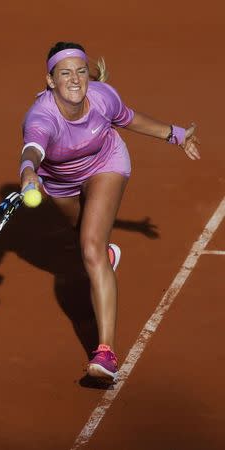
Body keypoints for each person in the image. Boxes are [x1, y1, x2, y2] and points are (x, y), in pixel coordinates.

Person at [19, 41, 200, 383]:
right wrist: (29, 172)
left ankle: (105, 353)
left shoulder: (103, 98)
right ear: (50, 80)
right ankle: (106, 254)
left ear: (89, 75)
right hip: (59, 183)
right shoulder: (41, 117)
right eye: (65, 73)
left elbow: (129, 119)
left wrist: (175, 135)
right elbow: (32, 149)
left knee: (89, 250)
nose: (74, 80)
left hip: (106, 164)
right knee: (85, 239)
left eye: (81, 72)